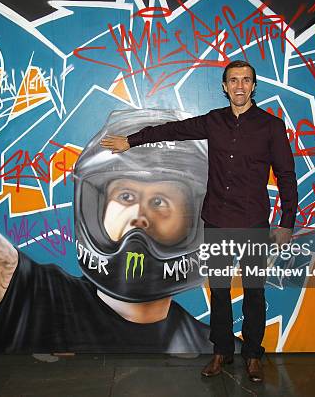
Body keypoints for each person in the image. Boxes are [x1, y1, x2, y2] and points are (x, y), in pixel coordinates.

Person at [0, 8, 237, 354]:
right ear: (97, 208)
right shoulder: (38, 300)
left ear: (194, 221)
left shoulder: (211, 348)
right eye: (126, 196)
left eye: (161, 201)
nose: (139, 216)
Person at [100, 59, 298, 380]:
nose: (239, 86)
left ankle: (252, 355)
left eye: (245, 80)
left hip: (253, 223)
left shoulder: (270, 126)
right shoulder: (213, 122)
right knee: (219, 290)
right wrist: (131, 140)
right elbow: (173, 130)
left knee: (254, 292)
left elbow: (286, 175)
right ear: (224, 86)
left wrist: (287, 221)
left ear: (253, 86)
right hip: (217, 220)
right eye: (233, 80)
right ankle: (221, 352)